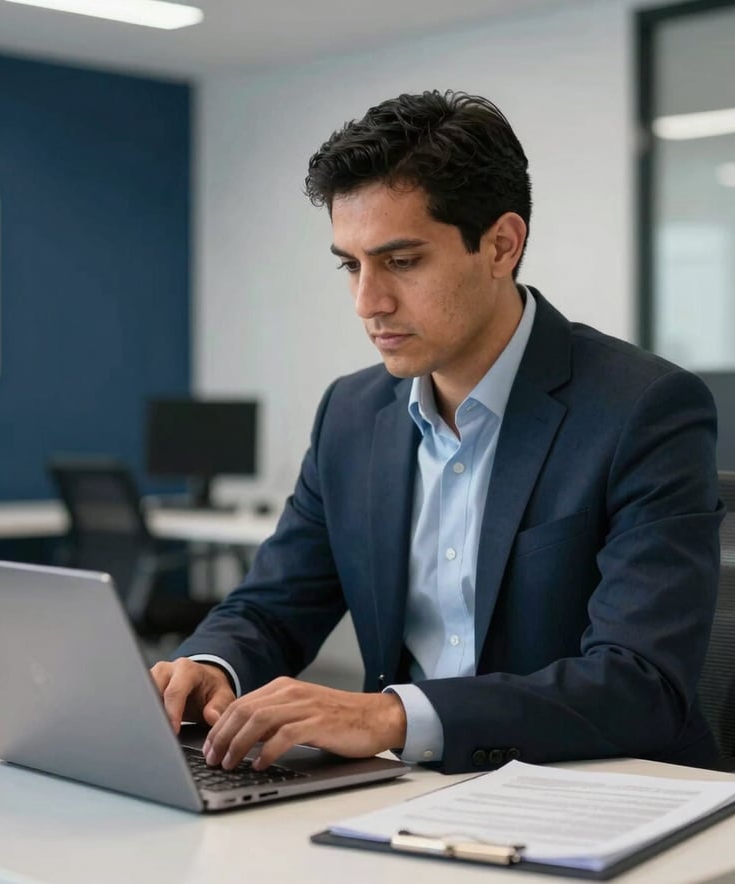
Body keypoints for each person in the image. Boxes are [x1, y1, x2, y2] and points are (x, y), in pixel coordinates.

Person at [152, 90, 723, 775]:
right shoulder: (351, 415)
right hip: (398, 792)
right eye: (350, 264)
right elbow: (273, 606)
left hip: (592, 791)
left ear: (501, 246)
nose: (368, 302)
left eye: (401, 261)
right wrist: (210, 665)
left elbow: (639, 684)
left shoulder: (644, 409)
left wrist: (391, 715)